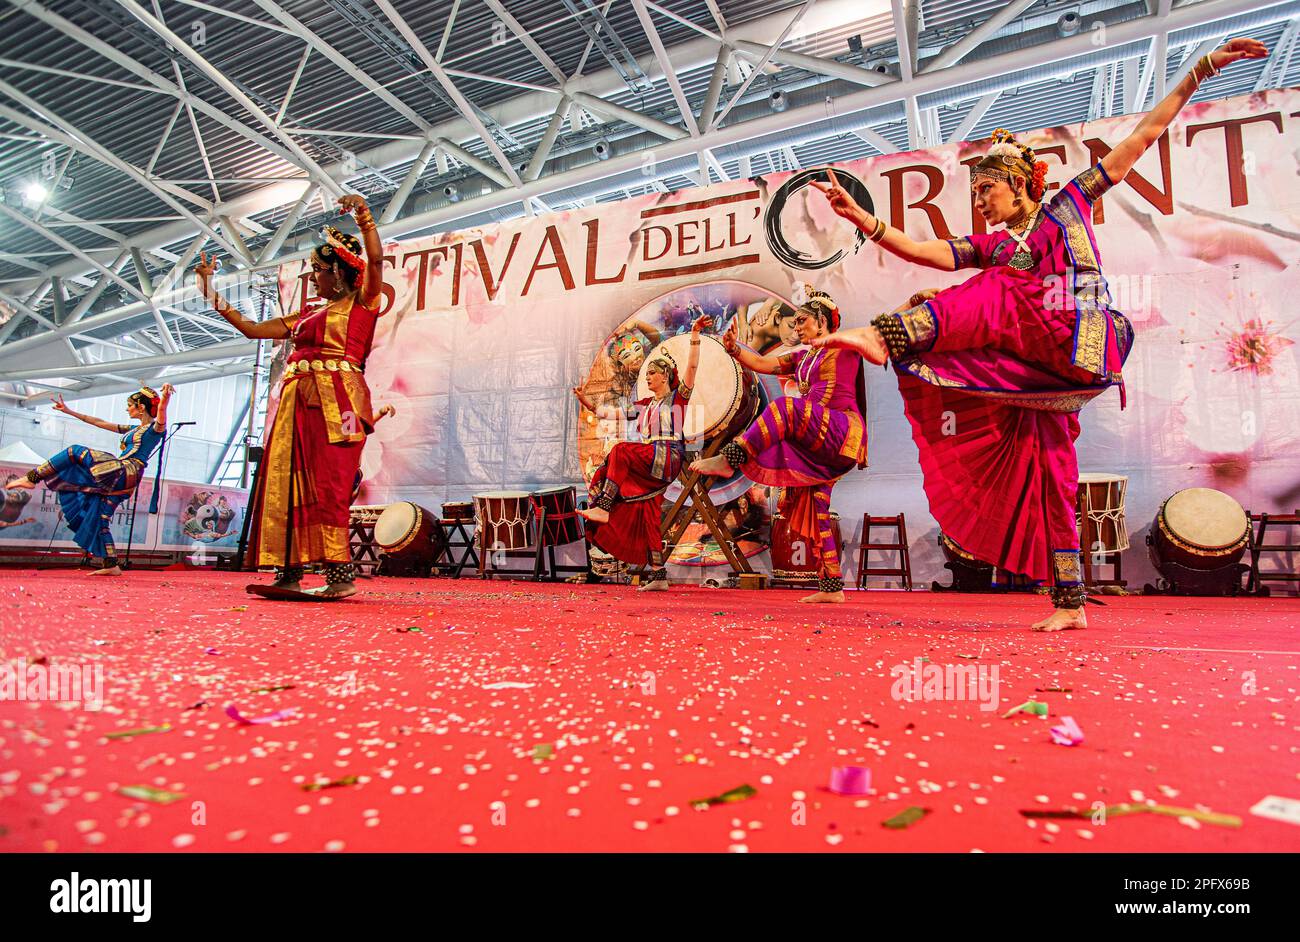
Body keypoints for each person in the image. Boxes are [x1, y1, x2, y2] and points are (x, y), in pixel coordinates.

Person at [810, 38, 1267, 630]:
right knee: (1052, 470)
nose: (979, 200)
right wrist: (861, 218)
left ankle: (890, 335)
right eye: (973, 193)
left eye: (986, 189)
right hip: (1040, 368)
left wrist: (1199, 69)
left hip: (1084, 336)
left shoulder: (1065, 208)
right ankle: (1069, 601)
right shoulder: (994, 247)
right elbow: (922, 249)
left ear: (1020, 181)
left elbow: (1140, 139)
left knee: (1000, 290)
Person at [194, 194, 385, 599]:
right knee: (286, 483)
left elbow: (377, 263)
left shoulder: (362, 304)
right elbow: (251, 329)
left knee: (330, 486)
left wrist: (365, 219)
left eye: (317, 270)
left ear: (337, 271)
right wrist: (208, 289)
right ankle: (288, 571)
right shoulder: (307, 315)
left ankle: (339, 576)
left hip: (341, 405)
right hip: (296, 402)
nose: (312, 278)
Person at [690, 284, 867, 603]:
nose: (797, 326)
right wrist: (734, 349)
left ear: (822, 322)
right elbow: (764, 365)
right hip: (818, 440)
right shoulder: (802, 357)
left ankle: (731, 457)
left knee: (784, 407)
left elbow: (880, 334)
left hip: (839, 430)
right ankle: (832, 588)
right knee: (818, 507)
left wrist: (912, 303)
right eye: (796, 322)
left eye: (802, 320)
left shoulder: (844, 345)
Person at [576, 315, 707, 590]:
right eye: (646, 374)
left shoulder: (678, 398)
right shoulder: (646, 404)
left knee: (621, 451)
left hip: (667, 456)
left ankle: (604, 508)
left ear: (665, 376)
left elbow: (693, 365)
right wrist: (587, 404)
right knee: (648, 513)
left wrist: (695, 335)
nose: (647, 377)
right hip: (652, 462)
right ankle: (659, 576)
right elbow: (615, 414)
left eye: (652, 373)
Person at [6, 384, 174, 574]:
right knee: (100, 517)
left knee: (75, 451)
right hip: (122, 481)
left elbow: (161, 412)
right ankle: (111, 564)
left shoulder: (154, 430)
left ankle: (32, 477)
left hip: (124, 471)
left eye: (130, 405)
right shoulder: (132, 429)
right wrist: (69, 411)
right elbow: (97, 422)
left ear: (141, 407)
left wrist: (165, 398)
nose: (127, 409)